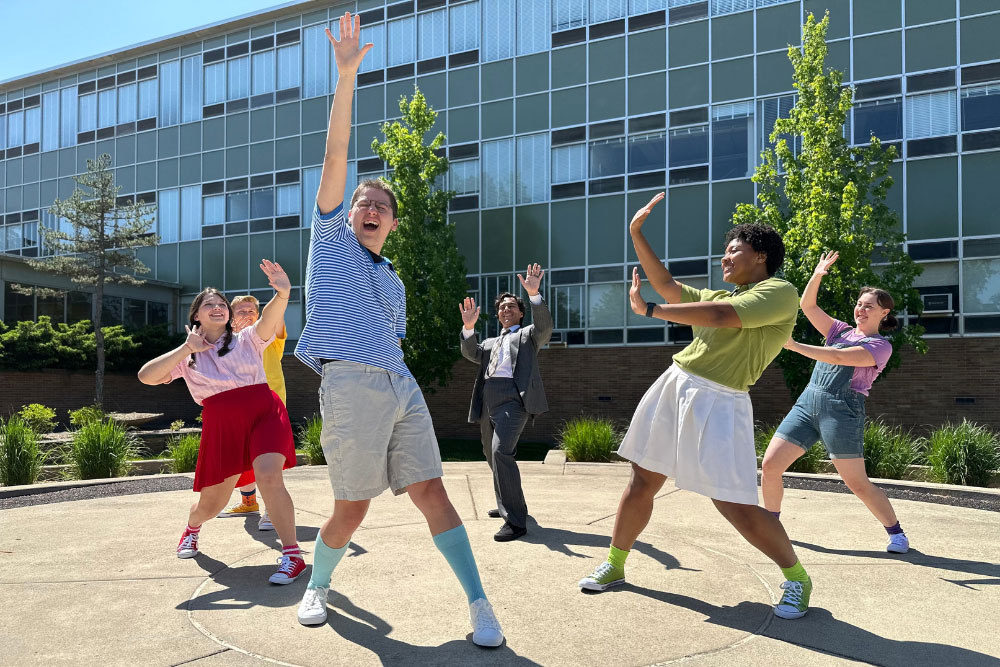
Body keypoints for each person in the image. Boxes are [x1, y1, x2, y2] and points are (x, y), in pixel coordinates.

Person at [291, 12, 503, 647]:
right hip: (350, 384)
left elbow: (393, 336)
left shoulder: (397, 280)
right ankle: (318, 586)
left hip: (399, 382)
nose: (372, 208)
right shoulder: (329, 243)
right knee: (351, 508)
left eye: (382, 206)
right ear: (347, 212)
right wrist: (347, 76)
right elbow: (336, 155)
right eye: (363, 202)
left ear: (394, 223)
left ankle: (479, 604)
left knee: (432, 490)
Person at [578, 192, 815, 620]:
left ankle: (797, 578)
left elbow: (721, 317)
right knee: (642, 482)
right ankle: (615, 564)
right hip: (677, 385)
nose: (724, 259)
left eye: (733, 251)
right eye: (724, 252)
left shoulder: (780, 292)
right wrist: (636, 233)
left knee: (734, 504)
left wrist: (651, 310)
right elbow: (668, 286)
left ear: (760, 256)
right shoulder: (726, 295)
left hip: (722, 402)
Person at [137, 263, 304, 585]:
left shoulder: (248, 339)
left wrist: (283, 292)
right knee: (211, 505)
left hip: (264, 413)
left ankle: (292, 555)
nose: (218, 307)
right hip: (223, 426)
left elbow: (270, 318)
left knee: (270, 477)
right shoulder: (187, 358)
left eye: (221, 304)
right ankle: (192, 527)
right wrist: (187, 348)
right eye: (209, 304)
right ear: (196, 315)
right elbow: (147, 376)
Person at [761, 251, 909, 554]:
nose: (861, 309)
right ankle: (771, 524)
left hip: (842, 412)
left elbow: (839, 357)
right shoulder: (839, 330)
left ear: (884, 313)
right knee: (770, 466)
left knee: (856, 483)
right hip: (807, 404)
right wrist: (818, 273)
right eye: (859, 304)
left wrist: (793, 345)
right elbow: (808, 305)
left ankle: (897, 534)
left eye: (869, 306)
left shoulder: (880, 346)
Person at [459, 268, 553, 542]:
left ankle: (516, 522)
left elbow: (545, 327)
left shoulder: (527, 336)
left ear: (520, 313)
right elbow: (470, 352)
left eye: (512, 306)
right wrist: (468, 327)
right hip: (488, 400)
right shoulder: (488, 343)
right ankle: (506, 504)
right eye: (502, 307)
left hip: (513, 400)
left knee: (502, 451)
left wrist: (533, 294)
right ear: (498, 314)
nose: (506, 309)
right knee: (490, 453)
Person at [216, 295, 289, 532]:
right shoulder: (227, 341)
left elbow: (275, 318)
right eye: (241, 311)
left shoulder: (268, 336)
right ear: (231, 317)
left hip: (270, 405)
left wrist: (280, 294)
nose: (247, 315)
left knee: (269, 460)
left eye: (252, 311)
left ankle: (272, 509)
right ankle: (249, 502)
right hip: (240, 406)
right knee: (242, 457)